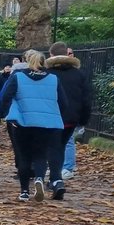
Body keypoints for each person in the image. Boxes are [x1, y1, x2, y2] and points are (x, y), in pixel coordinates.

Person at [0, 50, 68, 201]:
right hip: (46, 124)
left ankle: (24, 191)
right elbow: (63, 103)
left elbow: (5, 97)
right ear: (44, 63)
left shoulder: (18, 77)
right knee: (40, 155)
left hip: (23, 122)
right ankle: (39, 178)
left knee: (23, 156)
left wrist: (5, 114)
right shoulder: (53, 79)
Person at [45, 42, 92, 182]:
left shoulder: (47, 74)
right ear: (67, 54)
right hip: (70, 119)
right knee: (61, 146)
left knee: (52, 147)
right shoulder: (79, 75)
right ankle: (58, 174)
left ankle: (55, 178)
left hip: (51, 117)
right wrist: (83, 119)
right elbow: (86, 99)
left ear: (51, 55)